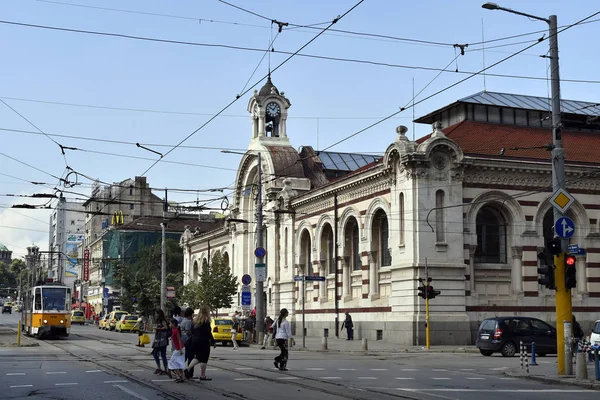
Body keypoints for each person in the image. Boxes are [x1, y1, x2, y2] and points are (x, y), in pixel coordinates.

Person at [184, 306, 216, 381]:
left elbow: (192, 330)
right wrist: (213, 342)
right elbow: (208, 333)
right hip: (203, 342)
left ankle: (187, 369)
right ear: (207, 312)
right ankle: (203, 375)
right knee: (204, 358)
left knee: (197, 357)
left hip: (194, 341)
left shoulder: (194, 321)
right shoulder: (206, 321)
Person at [152, 309, 171, 377]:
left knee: (162, 354)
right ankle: (159, 368)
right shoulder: (158, 320)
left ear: (159, 314)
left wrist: (158, 329)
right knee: (155, 353)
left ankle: (165, 369)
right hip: (158, 339)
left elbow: (165, 327)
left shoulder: (163, 320)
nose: (155, 315)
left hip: (162, 340)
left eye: (156, 314)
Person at [168, 318, 186, 383]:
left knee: (173, 362)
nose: (169, 324)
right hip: (177, 349)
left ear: (173, 324)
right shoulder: (173, 330)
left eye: (170, 323)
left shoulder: (175, 330)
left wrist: (180, 349)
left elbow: (179, 340)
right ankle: (181, 376)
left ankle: (179, 376)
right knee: (178, 362)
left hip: (179, 349)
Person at [180, 308, 195, 378]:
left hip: (183, 340)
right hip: (188, 341)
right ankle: (189, 373)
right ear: (190, 314)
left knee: (185, 357)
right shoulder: (188, 322)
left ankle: (180, 371)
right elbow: (188, 331)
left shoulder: (183, 320)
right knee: (190, 357)